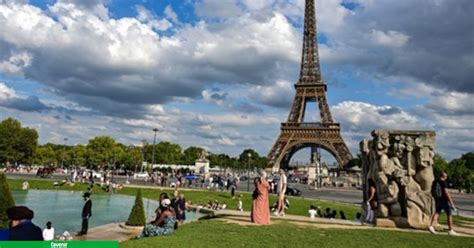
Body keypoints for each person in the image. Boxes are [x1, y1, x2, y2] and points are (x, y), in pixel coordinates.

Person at [429, 172, 459, 236]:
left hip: (437, 199)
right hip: (444, 200)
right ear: (444, 176)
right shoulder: (443, 182)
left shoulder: (435, 181)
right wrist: (451, 203)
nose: (446, 178)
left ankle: (431, 226)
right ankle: (450, 230)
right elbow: (446, 192)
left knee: (437, 212)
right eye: (446, 176)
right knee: (449, 213)